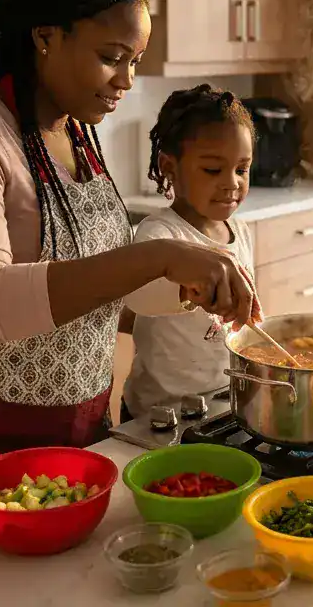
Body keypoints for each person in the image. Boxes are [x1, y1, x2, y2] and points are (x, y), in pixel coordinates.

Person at [0, 0, 256, 517]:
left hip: (75, 420)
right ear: (45, 36)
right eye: (112, 57)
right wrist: (157, 256)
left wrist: (183, 293)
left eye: (134, 61)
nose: (127, 81)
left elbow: (90, 285)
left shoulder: (74, 128)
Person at [121, 84, 256, 422]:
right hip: (160, 412)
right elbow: (138, 298)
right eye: (213, 170)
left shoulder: (241, 232)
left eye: (242, 169)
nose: (232, 182)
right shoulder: (160, 234)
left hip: (223, 404)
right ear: (170, 167)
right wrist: (190, 289)